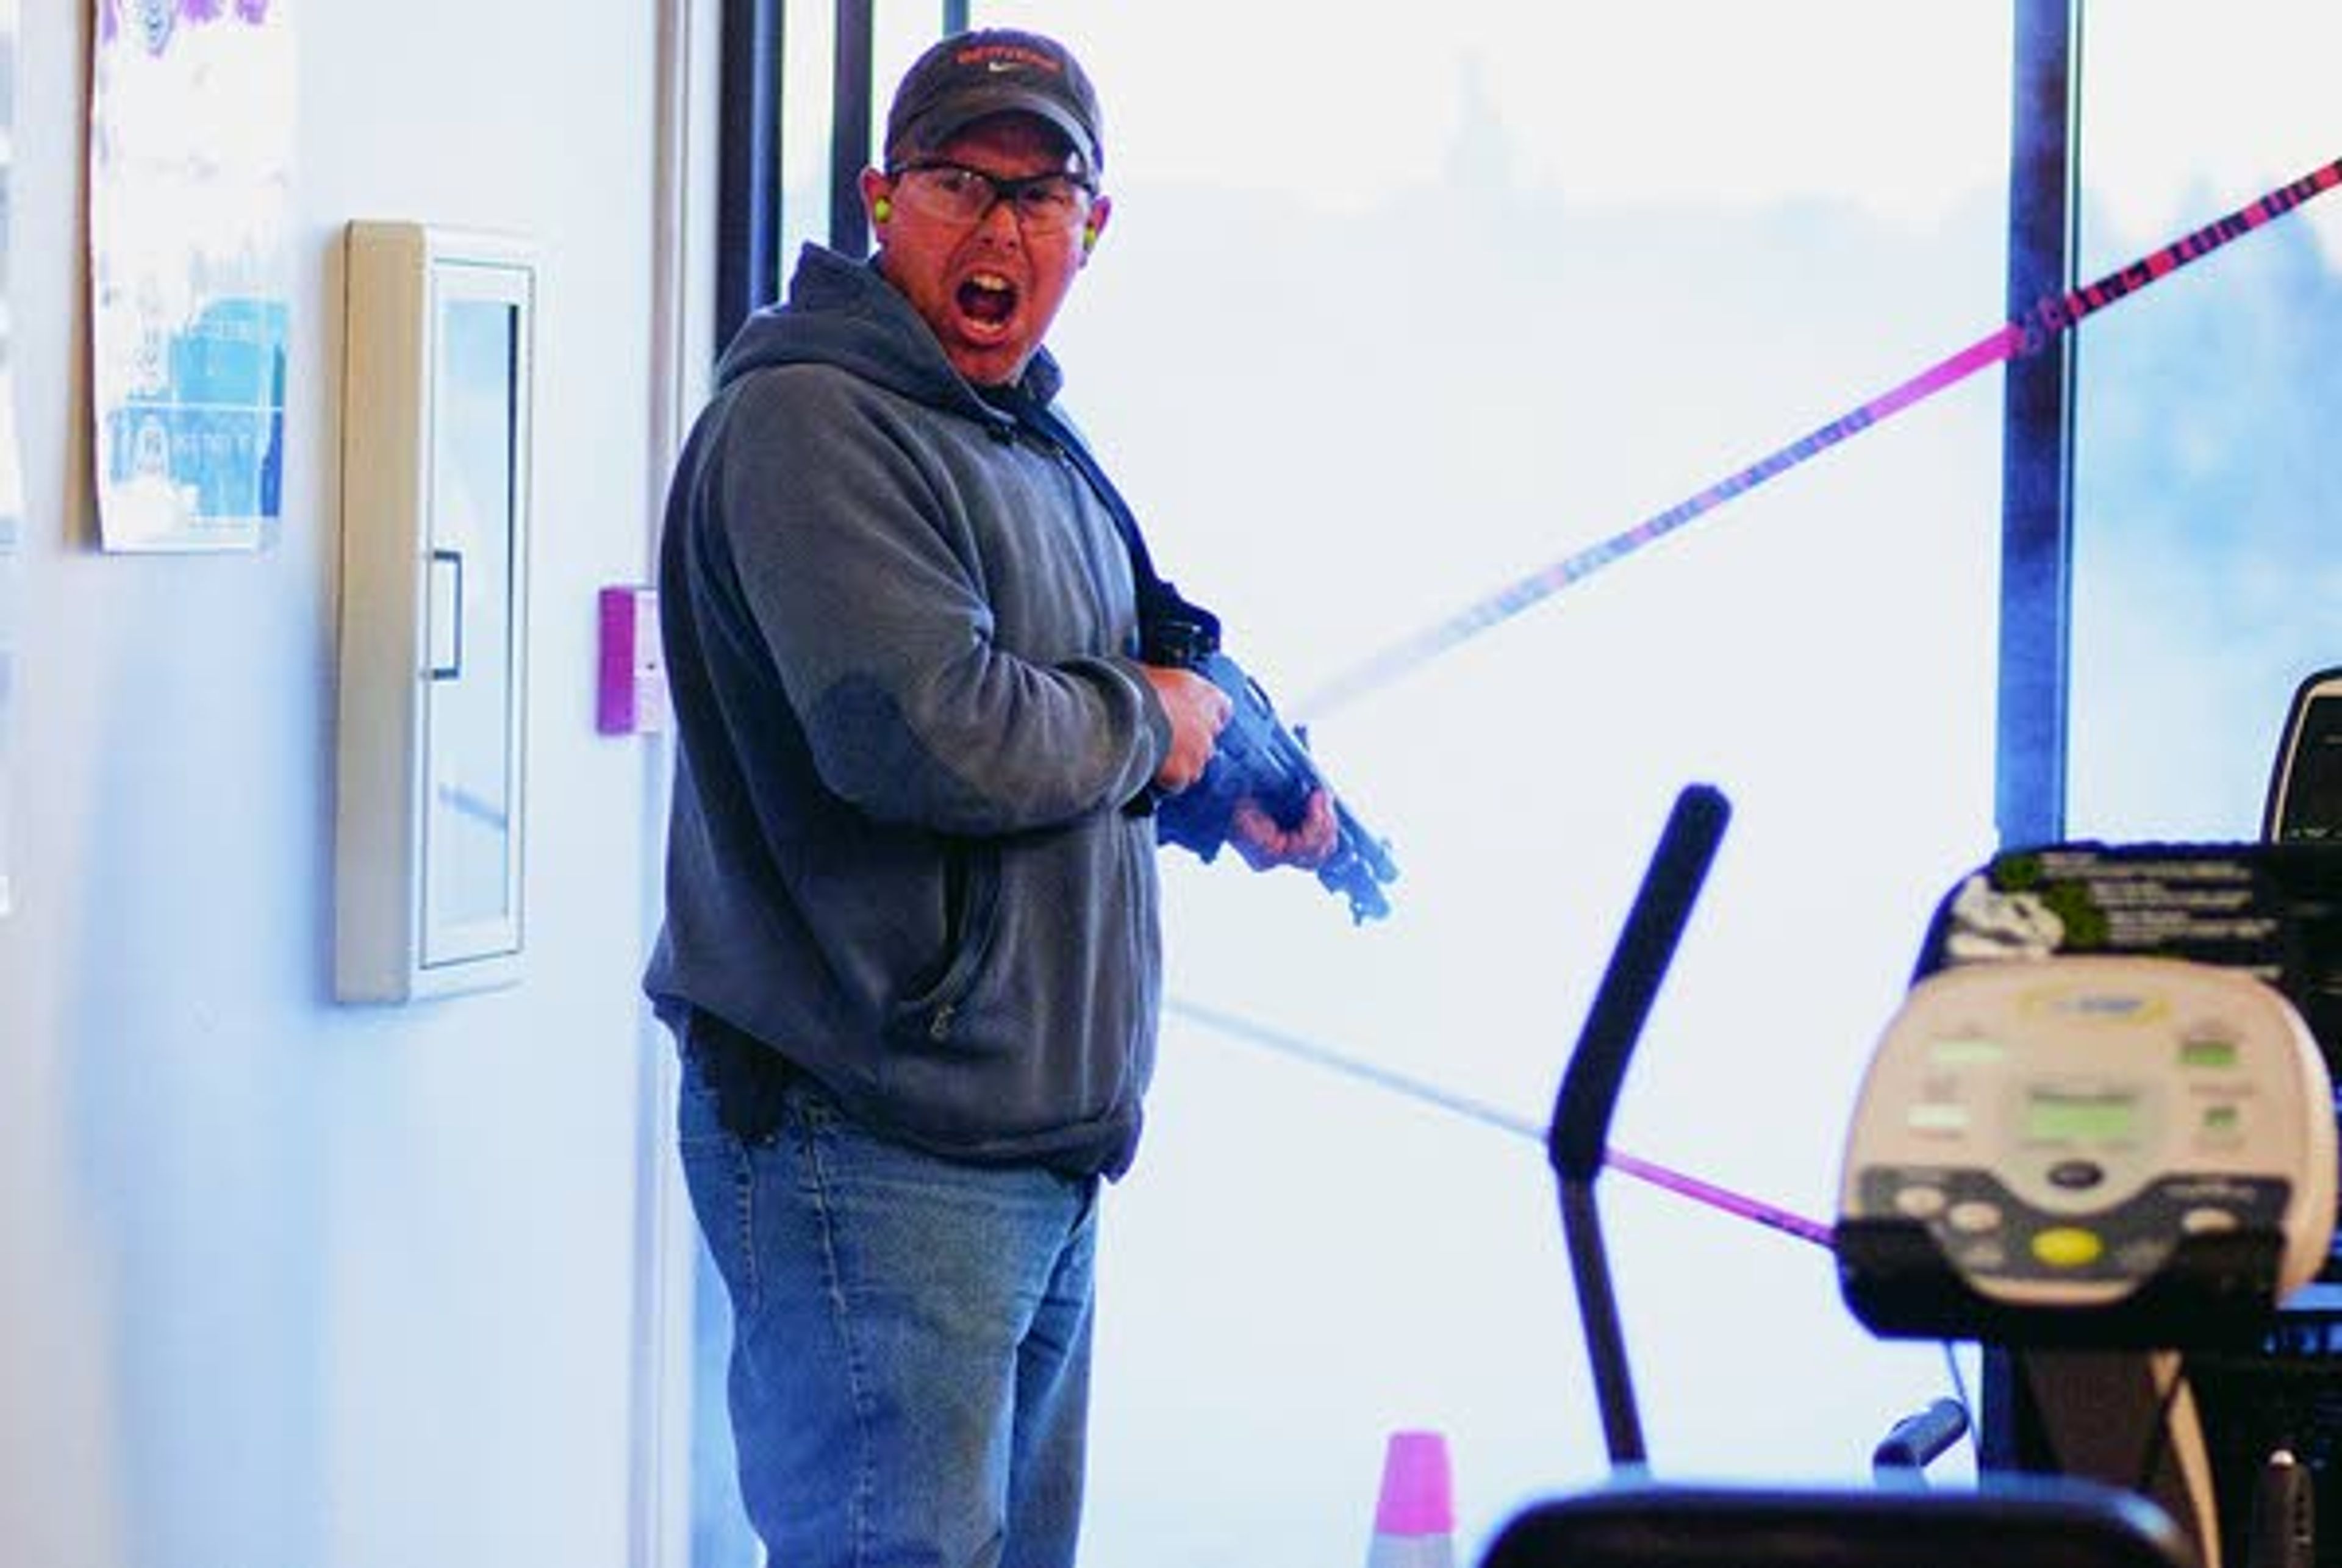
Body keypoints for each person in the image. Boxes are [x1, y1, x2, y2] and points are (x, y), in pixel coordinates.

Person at [643, 26, 1337, 1568]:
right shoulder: (818, 419)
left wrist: (1229, 780)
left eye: (1044, 195)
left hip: (1020, 1154)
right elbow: (918, 731)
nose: (1000, 226)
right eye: (963, 181)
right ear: (883, 199)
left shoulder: (1021, 433)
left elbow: (1101, 686)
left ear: (1095, 231)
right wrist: (1147, 723)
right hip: (870, 1141)